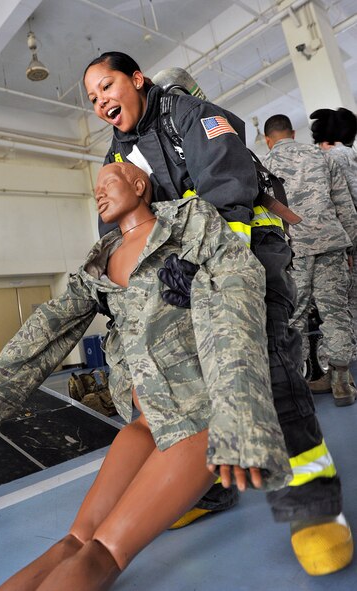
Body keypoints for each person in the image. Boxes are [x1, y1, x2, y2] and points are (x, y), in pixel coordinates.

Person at [0, 162, 291, 591]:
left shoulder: (187, 224)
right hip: (143, 425)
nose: (99, 194)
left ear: (139, 184)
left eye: (108, 183)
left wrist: (240, 412)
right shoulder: (99, 263)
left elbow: (236, 291)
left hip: (196, 419)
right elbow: (48, 327)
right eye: (95, 189)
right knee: (72, 541)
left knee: (102, 553)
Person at [82, 51, 353, 576]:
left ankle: (313, 508)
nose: (100, 102)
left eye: (106, 87)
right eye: (91, 99)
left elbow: (229, 184)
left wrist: (202, 255)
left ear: (138, 80)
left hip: (245, 256)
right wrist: (117, 280)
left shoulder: (192, 116)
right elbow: (119, 220)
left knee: (268, 374)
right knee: (184, 388)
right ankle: (208, 492)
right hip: (180, 273)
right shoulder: (122, 149)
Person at [263, 113, 357, 407]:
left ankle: (300, 380)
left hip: (293, 252)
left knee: (295, 316)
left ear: (268, 140)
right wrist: (350, 248)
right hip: (331, 243)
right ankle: (342, 381)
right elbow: (345, 207)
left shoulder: (263, 166)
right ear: (292, 132)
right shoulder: (322, 156)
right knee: (336, 311)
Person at [310, 107, 357, 358]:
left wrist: (346, 246)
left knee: (347, 302)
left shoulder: (331, 159)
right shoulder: (350, 155)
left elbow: (341, 205)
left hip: (348, 237)